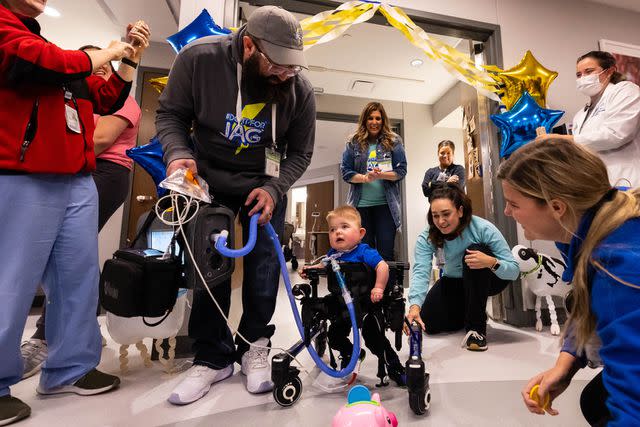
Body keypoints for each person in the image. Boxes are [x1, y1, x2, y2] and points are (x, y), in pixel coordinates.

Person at [156, 5, 316, 404]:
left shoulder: (299, 88)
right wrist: (177, 153)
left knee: (264, 262)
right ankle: (213, 357)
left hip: (264, 183)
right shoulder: (198, 59)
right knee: (210, 267)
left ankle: (254, 345)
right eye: (278, 65)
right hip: (209, 179)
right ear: (249, 46)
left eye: (293, 67)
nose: (286, 74)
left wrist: (277, 188)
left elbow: (300, 153)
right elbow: (171, 114)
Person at [0, 0, 148, 424]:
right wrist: (108, 51)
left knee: (78, 277)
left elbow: (102, 96)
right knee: (12, 280)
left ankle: (70, 367)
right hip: (25, 174)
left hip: (77, 179)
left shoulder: (42, 44)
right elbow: (49, 61)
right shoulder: (12, 33)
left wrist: (129, 63)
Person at [20, 43, 146, 379]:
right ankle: (76, 337)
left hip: (105, 172)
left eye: (107, 64)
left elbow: (102, 139)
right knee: (65, 256)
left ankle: (48, 338)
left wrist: (58, 142)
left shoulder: (125, 102)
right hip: (73, 170)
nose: (102, 69)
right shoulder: (72, 97)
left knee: (70, 255)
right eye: (97, 63)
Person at [498, 138, 640, 426]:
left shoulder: (617, 268)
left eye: (514, 204)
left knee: (606, 405)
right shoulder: (599, 219)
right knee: (595, 399)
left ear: (557, 207)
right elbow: (587, 304)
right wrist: (566, 362)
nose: (507, 213)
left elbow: (634, 399)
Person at [405, 184, 519, 351]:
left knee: (475, 251)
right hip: (455, 280)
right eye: (435, 216)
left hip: (490, 277)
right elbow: (421, 271)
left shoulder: (483, 228)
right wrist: (414, 306)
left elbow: (514, 271)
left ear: (460, 211)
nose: (441, 221)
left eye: (446, 214)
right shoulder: (428, 236)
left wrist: (490, 262)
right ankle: (471, 310)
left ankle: (476, 330)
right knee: (429, 323)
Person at [300, 205, 405, 386]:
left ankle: (395, 367)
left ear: (361, 233)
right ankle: (351, 353)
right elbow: (323, 266)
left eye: (344, 227)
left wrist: (378, 287)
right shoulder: (333, 254)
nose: (337, 232)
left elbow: (383, 266)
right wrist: (311, 269)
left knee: (375, 339)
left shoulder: (364, 252)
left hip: (364, 305)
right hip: (341, 305)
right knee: (335, 336)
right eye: (333, 230)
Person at [536, 51, 640, 187]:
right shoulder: (581, 114)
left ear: (610, 71)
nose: (583, 78)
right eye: (579, 75)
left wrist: (563, 140)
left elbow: (616, 135)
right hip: (596, 184)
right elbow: (583, 150)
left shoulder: (625, 91)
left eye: (589, 71)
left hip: (625, 180)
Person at [340, 101, 407, 273]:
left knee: (385, 254)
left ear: (383, 120)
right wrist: (365, 178)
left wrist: (381, 175)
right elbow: (346, 172)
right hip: (360, 207)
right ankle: (367, 295)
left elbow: (401, 170)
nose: (374, 122)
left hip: (386, 207)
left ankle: (386, 295)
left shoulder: (393, 141)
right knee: (364, 253)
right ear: (364, 120)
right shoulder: (353, 142)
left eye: (378, 118)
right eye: (370, 118)